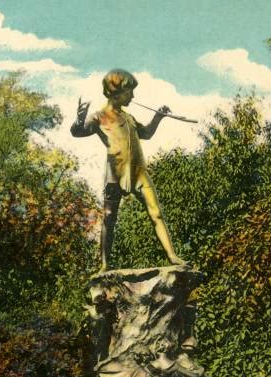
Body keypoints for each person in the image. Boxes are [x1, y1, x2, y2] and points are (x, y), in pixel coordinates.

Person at [70, 68, 188, 272]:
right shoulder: (99, 117)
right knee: (109, 219)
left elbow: (146, 134)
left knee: (156, 213)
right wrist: (79, 120)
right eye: (129, 92)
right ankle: (105, 265)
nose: (133, 96)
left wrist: (158, 118)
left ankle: (172, 256)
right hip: (115, 175)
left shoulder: (129, 117)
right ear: (115, 92)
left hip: (138, 172)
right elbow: (78, 132)